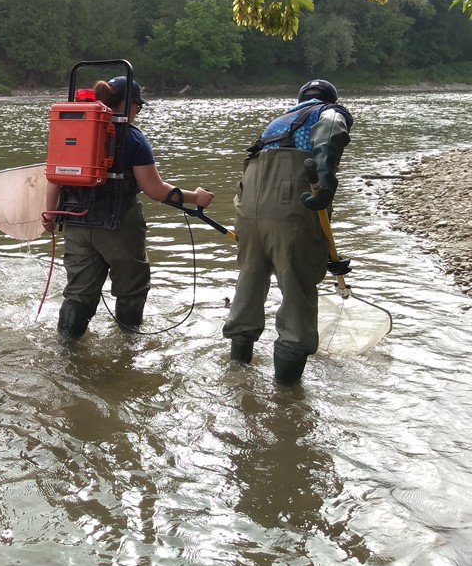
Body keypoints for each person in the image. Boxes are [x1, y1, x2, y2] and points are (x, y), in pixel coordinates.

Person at [43, 76, 215, 338]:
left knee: (78, 294)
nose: (139, 112)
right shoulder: (133, 138)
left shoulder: (71, 128)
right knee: (131, 289)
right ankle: (129, 349)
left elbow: (55, 176)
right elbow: (155, 189)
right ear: (127, 104)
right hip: (118, 225)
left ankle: (66, 349)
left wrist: (49, 214)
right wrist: (195, 197)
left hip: (74, 222)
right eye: (138, 106)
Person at [221, 79, 353, 385]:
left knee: (250, 280)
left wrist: (325, 254)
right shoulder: (329, 111)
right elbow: (332, 129)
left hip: (248, 209)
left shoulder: (276, 124)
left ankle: (238, 374)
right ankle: (286, 394)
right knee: (297, 288)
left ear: (299, 99)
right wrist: (327, 180)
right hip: (289, 209)